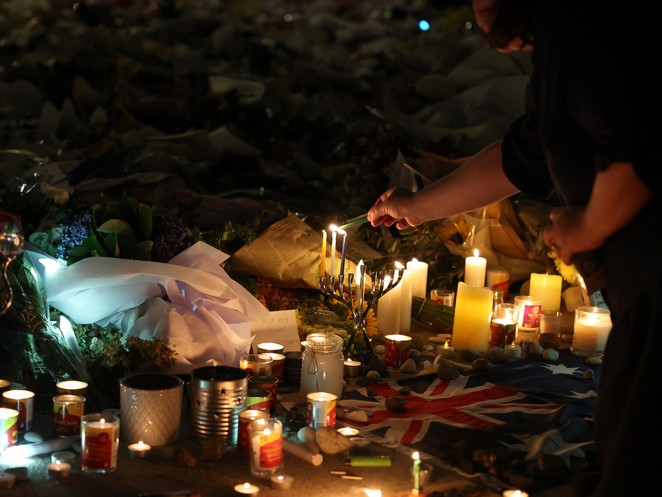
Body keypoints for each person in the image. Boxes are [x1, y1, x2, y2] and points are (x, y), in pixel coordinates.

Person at [367, 1, 661, 496]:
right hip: (637, 299)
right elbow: (523, 155)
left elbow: (635, 154)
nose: (479, 13)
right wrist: (417, 206)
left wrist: (585, 226)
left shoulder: (586, 37)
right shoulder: (562, 45)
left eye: (485, 0)